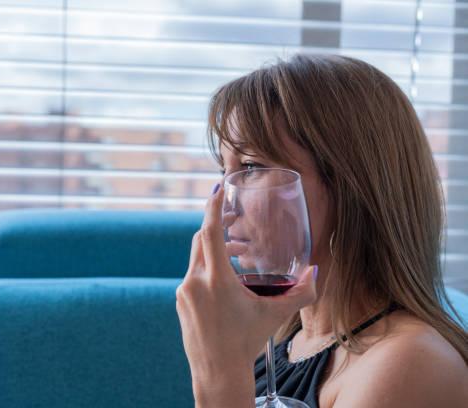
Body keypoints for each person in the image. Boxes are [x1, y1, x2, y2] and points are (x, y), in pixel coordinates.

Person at [175, 54, 468, 408]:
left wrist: (217, 375)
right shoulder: (289, 340)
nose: (224, 206)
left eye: (250, 166)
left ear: (350, 186)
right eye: (225, 170)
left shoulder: (409, 365)